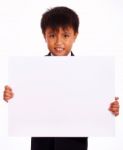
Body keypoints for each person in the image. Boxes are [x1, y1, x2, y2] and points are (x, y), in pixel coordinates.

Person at [3, 6, 119, 150]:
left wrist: (109, 108)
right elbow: (25, 102)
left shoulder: (88, 72)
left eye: (65, 35)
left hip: (74, 145)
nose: (58, 42)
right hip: (42, 144)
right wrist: (12, 96)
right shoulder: (31, 71)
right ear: (44, 36)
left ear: (75, 36)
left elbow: (94, 108)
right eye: (52, 35)